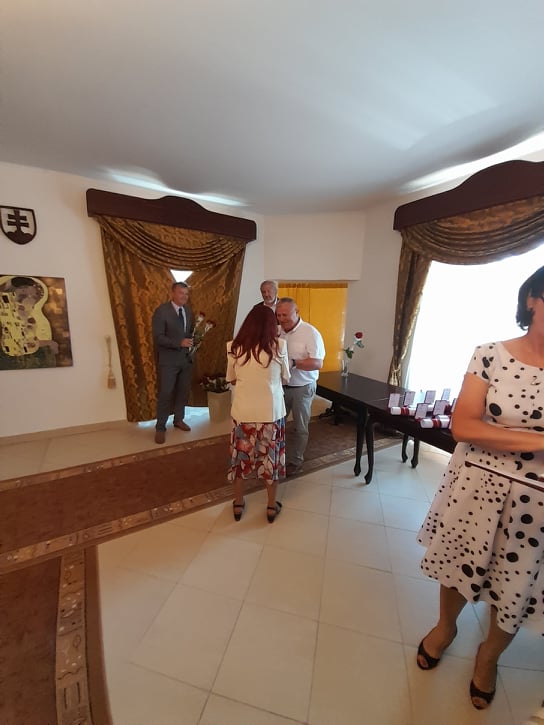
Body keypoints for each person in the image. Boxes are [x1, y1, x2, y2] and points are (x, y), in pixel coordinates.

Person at [416, 265, 544, 711]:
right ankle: (446, 627)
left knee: (516, 581)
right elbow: (464, 425)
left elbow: (482, 429)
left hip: (537, 504)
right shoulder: (491, 354)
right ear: (531, 299)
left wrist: (501, 435)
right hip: (479, 488)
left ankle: (489, 656)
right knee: (459, 563)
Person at [226, 305, 290, 523]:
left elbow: (232, 379)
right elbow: (286, 378)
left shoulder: (234, 347)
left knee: (240, 460)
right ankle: (271, 507)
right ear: (272, 325)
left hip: (243, 414)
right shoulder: (279, 346)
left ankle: (238, 504)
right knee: (270, 461)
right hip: (270, 414)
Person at [276, 297, 325, 476]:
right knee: (277, 424)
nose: (282, 319)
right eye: (279, 315)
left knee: (300, 427)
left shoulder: (310, 333)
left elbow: (317, 363)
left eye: (285, 315)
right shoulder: (277, 331)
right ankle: (276, 457)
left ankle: (295, 461)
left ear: (297, 313)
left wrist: (294, 363)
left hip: (302, 388)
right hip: (281, 387)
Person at [152, 281, 194, 444]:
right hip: (168, 361)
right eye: (181, 293)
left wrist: (194, 341)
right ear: (172, 293)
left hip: (185, 360)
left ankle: (178, 419)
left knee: (182, 391)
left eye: (186, 294)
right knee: (165, 393)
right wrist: (179, 342)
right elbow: (158, 337)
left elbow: (189, 333)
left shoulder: (188, 311)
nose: (184, 296)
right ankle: (160, 427)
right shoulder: (161, 311)